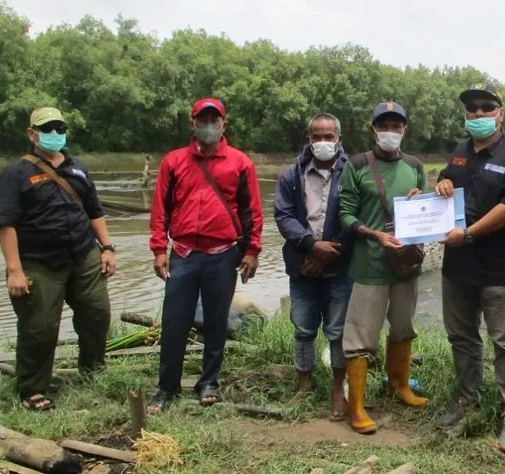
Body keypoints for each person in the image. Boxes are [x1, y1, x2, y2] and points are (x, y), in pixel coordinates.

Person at [433, 83, 505, 454]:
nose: (478, 114)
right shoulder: (460, 151)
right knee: (461, 336)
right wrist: (441, 184)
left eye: (486, 108)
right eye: (471, 109)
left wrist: (470, 234)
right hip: (458, 267)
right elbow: (445, 185)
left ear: (500, 113)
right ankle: (467, 399)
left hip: (501, 270)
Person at [0, 107, 116, 411]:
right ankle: (33, 389)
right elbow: (5, 224)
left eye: (60, 128)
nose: (55, 134)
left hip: (84, 254)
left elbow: (94, 211)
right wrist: (14, 271)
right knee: (40, 327)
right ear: (31, 134)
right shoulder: (15, 173)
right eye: (47, 129)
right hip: (38, 261)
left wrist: (108, 248)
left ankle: (93, 373)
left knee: (97, 314)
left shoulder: (78, 168)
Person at [147, 98, 264, 413]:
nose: (209, 126)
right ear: (193, 123)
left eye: (215, 120)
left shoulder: (241, 163)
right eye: (203, 120)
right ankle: (166, 387)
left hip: (223, 255)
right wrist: (159, 249)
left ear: (224, 124)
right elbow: (160, 209)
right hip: (183, 254)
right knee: (175, 322)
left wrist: (252, 251)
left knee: (216, 321)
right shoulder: (173, 162)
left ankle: (208, 382)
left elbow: (252, 211)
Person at [337, 101, 428, 434]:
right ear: (373, 129)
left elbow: (424, 211)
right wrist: (374, 234)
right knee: (360, 335)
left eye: (396, 126)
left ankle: (399, 386)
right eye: (384, 126)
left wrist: (420, 201)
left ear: (405, 130)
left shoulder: (415, 166)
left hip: (405, 266)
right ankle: (357, 407)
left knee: (403, 327)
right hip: (370, 265)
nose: (390, 131)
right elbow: (344, 214)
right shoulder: (358, 165)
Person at [274, 112, 353, 420]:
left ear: (339, 140)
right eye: (317, 136)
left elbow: (356, 215)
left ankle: (337, 389)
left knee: (337, 330)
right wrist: (310, 245)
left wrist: (328, 252)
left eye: (328, 136)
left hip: (340, 265)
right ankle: (304, 384)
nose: (323, 142)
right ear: (309, 139)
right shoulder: (291, 175)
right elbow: (283, 216)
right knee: (303, 327)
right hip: (302, 264)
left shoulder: (353, 172)